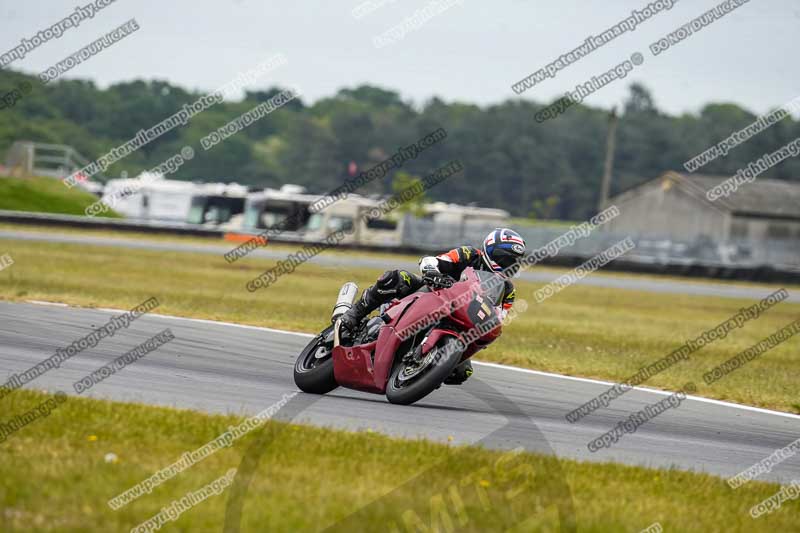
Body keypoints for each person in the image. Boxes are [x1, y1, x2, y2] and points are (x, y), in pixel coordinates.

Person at [339, 228, 526, 384]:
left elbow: (497, 318)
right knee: (395, 279)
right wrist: (433, 271)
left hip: (459, 320)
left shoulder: (507, 290)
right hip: (429, 293)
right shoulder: (468, 254)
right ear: (490, 250)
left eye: (513, 262)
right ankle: (353, 315)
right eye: (505, 259)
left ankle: (419, 374)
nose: (508, 265)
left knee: (461, 373)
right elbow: (433, 261)